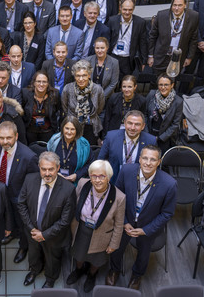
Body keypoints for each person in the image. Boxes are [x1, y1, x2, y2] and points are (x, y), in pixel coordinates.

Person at [106, 145, 177, 290]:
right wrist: (124, 222)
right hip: (125, 219)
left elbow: (167, 213)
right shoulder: (126, 171)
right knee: (117, 248)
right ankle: (114, 270)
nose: (148, 163)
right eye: (145, 158)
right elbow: (117, 198)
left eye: (153, 159)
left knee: (144, 253)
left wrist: (146, 230)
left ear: (159, 162)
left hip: (148, 225)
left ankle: (137, 275)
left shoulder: (169, 184)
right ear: (139, 159)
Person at [18, 151, 76, 288]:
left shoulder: (68, 190)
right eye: (44, 169)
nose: (47, 173)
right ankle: (34, 270)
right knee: (33, 254)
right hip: (32, 231)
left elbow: (65, 220)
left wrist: (44, 235)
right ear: (39, 167)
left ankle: (50, 279)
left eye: (51, 169)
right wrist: (32, 229)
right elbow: (21, 204)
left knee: (53, 260)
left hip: (54, 236)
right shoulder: (29, 180)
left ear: (58, 168)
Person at [66, 160, 126, 292]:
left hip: (102, 234)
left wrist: (113, 244)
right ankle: (78, 271)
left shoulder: (119, 197)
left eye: (102, 176)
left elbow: (119, 224)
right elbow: (73, 205)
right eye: (94, 176)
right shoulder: (82, 184)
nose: (97, 180)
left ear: (109, 177)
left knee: (96, 260)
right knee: (79, 254)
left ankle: (92, 276)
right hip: (81, 229)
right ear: (90, 176)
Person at [0, 121, 39, 263]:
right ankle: (10, 232)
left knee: (22, 225)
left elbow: (34, 182)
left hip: (18, 198)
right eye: (2, 138)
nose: (5, 142)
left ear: (16, 136)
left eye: (9, 138)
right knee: (6, 218)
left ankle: (23, 247)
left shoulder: (29, 157)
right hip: (0, 193)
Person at [98, 110, 157, 184]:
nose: (132, 128)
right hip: (113, 180)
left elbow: (153, 166)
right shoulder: (111, 137)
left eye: (137, 124)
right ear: (125, 123)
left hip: (137, 182)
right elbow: (100, 161)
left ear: (143, 126)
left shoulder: (150, 140)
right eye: (130, 123)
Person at [148, 0, 199, 74]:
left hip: (178, 58)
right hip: (161, 57)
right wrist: (150, 55)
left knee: (172, 82)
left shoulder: (194, 16)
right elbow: (152, 36)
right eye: (174, 5)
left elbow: (193, 39)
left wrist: (189, 57)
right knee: (156, 81)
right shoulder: (161, 15)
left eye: (180, 5)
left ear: (185, 5)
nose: (176, 8)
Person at [61, 60, 105, 145]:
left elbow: (99, 108)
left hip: (91, 127)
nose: (81, 79)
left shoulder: (98, 90)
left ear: (89, 75)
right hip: (72, 127)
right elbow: (65, 107)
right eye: (78, 76)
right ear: (74, 76)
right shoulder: (67, 88)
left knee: (89, 150)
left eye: (84, 75)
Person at [108, 0, 149, 79]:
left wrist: (144, 61)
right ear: (120, 8)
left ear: (133, 9)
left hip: (128, 59)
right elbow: (108, 39)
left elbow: (143, 42)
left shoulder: (140, 22)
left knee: (126, 82)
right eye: (125, 9)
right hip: (113, 57)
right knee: (111, 80)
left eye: (130, 10)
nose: (127, 12)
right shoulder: (112, 20)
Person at [46, 116, 91, 184]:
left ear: (77, 130)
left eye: (72, 129)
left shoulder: (84, 144)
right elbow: (46, 160)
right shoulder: (54, 140)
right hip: (54, 180)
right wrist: (55, 173)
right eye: (67, 128)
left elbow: (89, 164)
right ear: (62, 128)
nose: (69, 132)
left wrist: (77, 175)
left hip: (75, 183)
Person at [145, 74, 183, 152]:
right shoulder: (152, 94)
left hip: (165, 138)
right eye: (160, 85)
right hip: (149, 134)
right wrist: (146, 134)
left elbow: (175, 124)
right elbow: (144, 114)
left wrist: (161, 138)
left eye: (166, 85)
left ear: (172, 85)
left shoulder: (178, 101)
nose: (163, 87)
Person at [23, 71, 61, 143]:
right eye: (38, 81)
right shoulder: (25, 93)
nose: (41, 84)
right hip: (30, 132)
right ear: (34, 83)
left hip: (48, 131)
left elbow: (58, 111)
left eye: (44, 82)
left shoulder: (54, 95)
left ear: (48, 84)